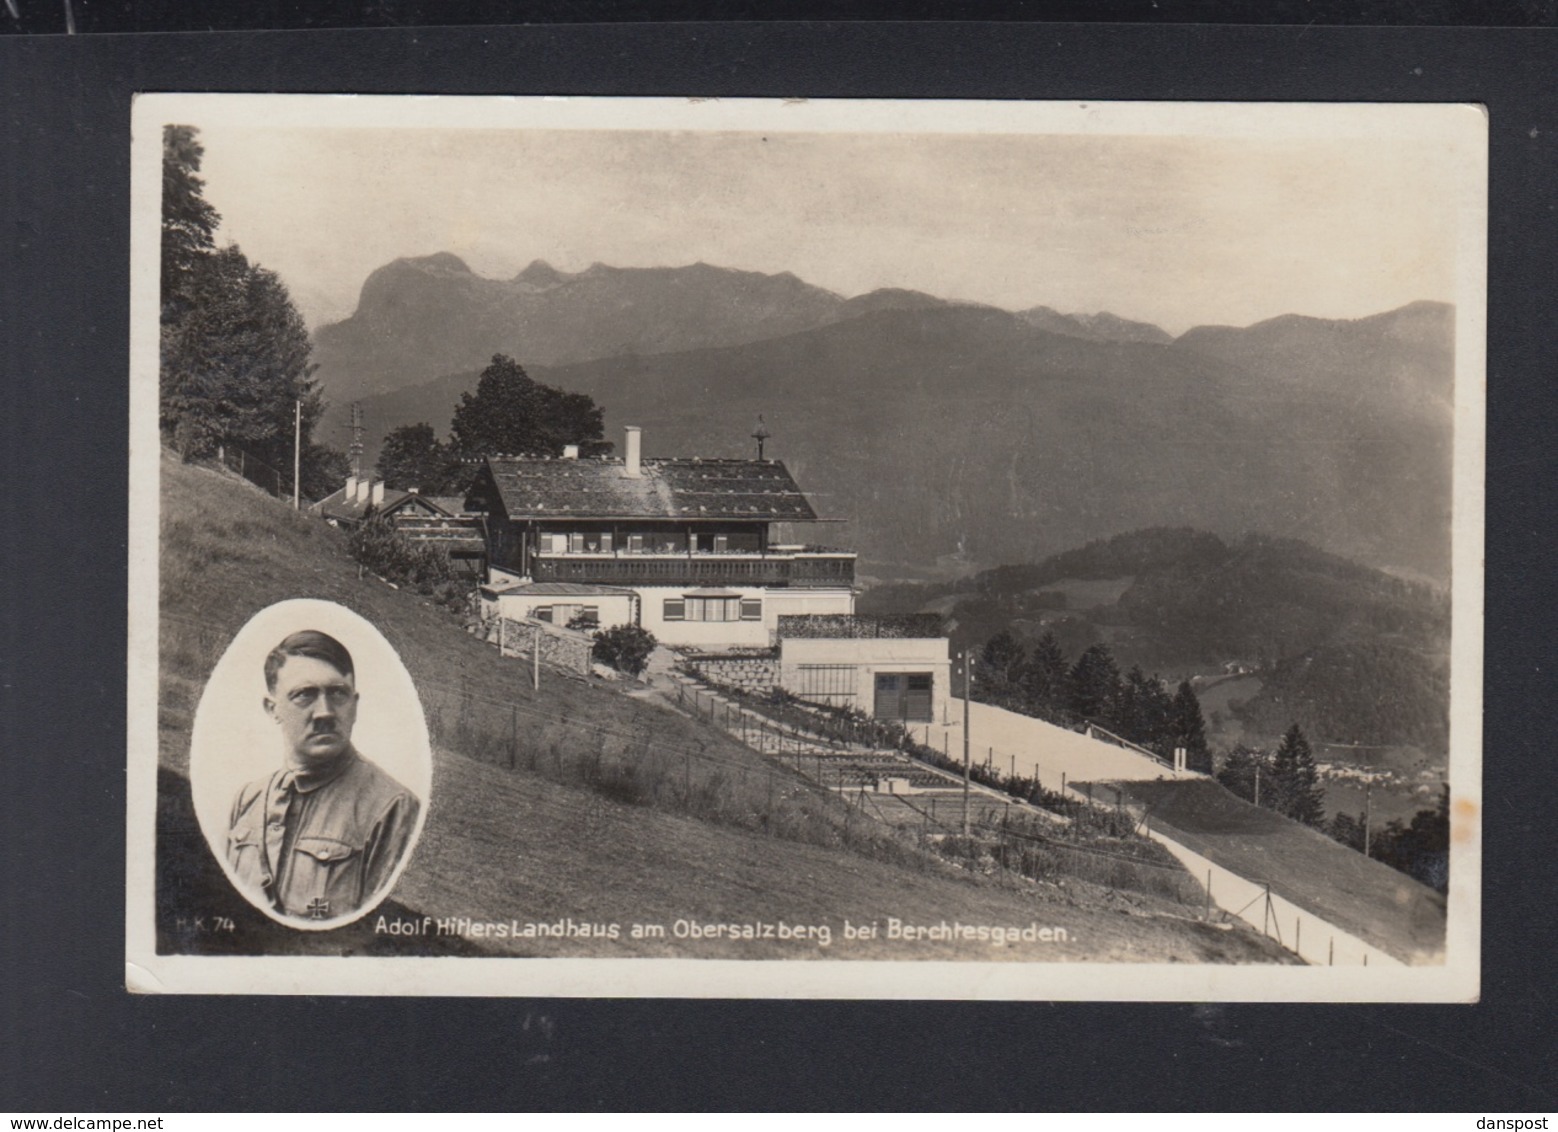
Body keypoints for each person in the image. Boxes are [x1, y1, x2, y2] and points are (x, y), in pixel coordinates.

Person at [227, 630, 420, 922]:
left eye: (338, 694)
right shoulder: (248, 800)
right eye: (304, 695)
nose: (325, 712)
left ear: (354, 706)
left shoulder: (393, 808)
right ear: (272, 708)